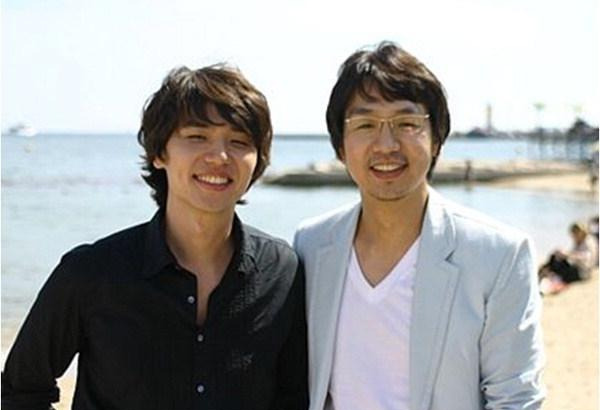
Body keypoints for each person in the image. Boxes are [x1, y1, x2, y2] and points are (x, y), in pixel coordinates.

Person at [2, 65, 307, 410]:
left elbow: (293, 396)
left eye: (239, 142)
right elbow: (21, 389)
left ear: (258, 161)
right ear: (159, 153)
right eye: (197, 136)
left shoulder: (281, 271)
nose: (220, 157)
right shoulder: (92, 273)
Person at [293, 41, 544, 410]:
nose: (386, 144)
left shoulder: (498, 255)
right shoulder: (312, 245)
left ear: (437, 138)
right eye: (365, 124)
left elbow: (516, 398)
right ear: (340, 146)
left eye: (407, 123)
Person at [539, 222, 598, 295]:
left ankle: (547, 274)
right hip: (577, 267)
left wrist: (567, 254)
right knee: (555, 256)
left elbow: (585, 257)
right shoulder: (579, 241)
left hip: (582, 272)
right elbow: (574, 254)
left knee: (558, 267)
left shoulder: (588, 241)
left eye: (574, 235)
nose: (573, 237)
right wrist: (564, 254)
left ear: (579, 232)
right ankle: (546, 272)